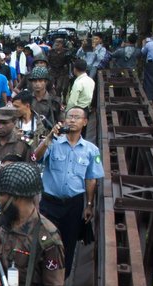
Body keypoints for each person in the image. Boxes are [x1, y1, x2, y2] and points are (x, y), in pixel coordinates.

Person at [32, 106, 105, 274]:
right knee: (44, 238)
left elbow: (91, 178)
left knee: (69, 241)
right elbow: (35, 158)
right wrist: (49, 137)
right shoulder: (53, 143)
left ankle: (63, 276)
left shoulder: (91, 150)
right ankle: (42, 273)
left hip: (74, 204)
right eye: (69, 116)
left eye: (77, 117)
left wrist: (89, 204)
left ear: (85, 122)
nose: (72, 120)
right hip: (50, 202)